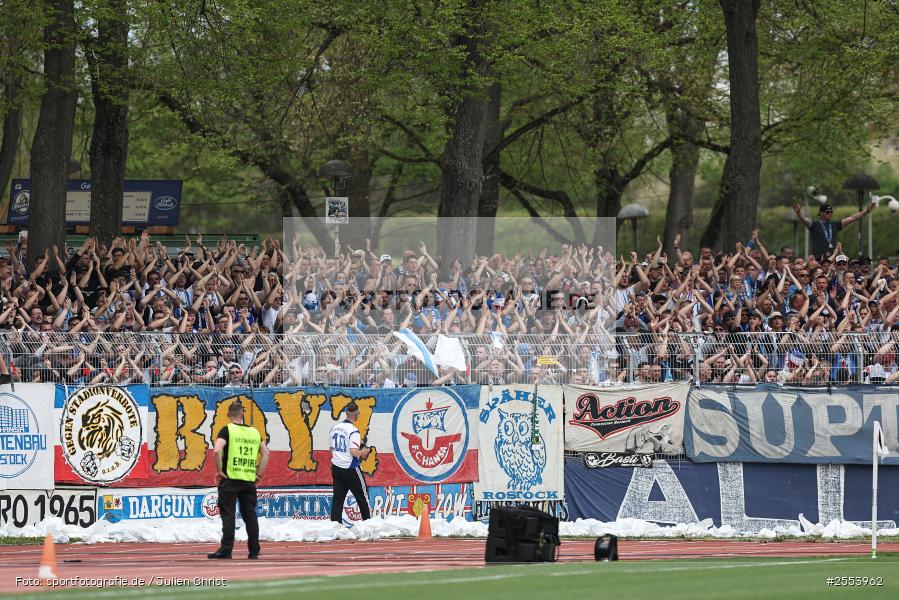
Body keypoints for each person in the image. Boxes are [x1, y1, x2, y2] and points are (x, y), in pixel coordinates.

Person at [208, 401, 270, 559]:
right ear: (243, 414)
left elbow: (216, 451)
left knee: (228, 515)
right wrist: (259, 475)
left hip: (230, 479)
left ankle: (226, 550)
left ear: (229, 415)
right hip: (249, 481)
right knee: (250, 516)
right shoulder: (255, 432)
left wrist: (219, 471)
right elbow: (266, 454)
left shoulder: (227, 430)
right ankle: (254, 550)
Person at [329, 402, 372, 524]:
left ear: (346, 413)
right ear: (356, 415)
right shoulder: (353, 431)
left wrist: (339, 458)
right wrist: (363, 452)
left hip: (337, 467)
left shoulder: (334, 428)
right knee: (362, 497)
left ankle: (335, 525)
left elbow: (331, 449)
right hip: (350, 467)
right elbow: (353, 451)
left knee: (338, 499)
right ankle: (368, 523)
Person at [792, 202, 873, 259]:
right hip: (819, 259)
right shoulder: (815, 225)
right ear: (821, 213)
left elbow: (852, 218)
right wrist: (799, 213)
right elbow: (805, 219)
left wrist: (866, 211)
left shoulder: (834, 225)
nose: (830, 214)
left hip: (833, 259)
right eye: (827, 212)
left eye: (831, 212)